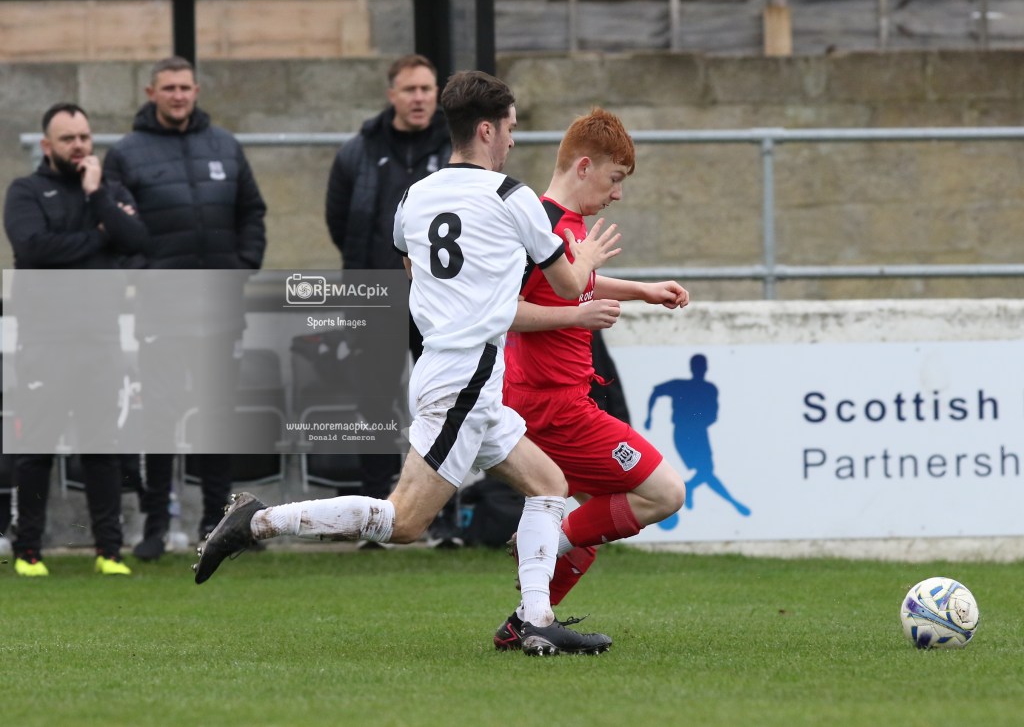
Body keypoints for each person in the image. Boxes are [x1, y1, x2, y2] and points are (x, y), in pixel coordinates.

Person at [194, 70, 622, 656]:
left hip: (451, 369)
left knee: (549, 484)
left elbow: (413, 275)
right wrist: (587, 255)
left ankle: (535, 620)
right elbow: (570, 285)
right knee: (404, 522)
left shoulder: (412, 197)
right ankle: (258, 522)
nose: (513, 140)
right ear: (487, 130)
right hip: (467, 376)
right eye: (511, 128)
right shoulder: (512, 197)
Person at [494, 107, 690, 650]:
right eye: (614, 179)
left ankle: (527, 621)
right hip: (554, 409)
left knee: (598, 521)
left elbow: (573, 283)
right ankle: (542, 543)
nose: (618, 194)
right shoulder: (545, 225)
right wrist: (577, 315)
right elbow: (505, 309)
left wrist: (642, 290)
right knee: (664, 493)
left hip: (559, 400)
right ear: (584, 166)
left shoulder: (561, 223)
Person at [103, 56, 268, 561]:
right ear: (151, 93)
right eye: (168, 87)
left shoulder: (225, 146)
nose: (178, 95)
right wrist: (144, 275)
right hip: (162, 312)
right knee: (160, 421)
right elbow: (112, 226)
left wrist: (242, 265)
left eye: (185, 87)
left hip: (220, 311)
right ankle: (155, 527)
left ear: (196, 91)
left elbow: (252, 211)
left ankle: (219, 526)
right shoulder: (126, 154)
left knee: (217, 421)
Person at [3, 102, 146, 576]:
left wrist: (97, 197)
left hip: (100, 340)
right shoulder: (25, 191)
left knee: (102, 449)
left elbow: (136, 240)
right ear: (47, 145)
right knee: (36, 449)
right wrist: (100, 240)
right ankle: (28, 552)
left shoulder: (109, 191)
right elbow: (34, 249)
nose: (79, 145)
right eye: (68, 138)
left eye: (84, 136)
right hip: (44, 341)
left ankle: (109, 552)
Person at [325, 54, 457, 545]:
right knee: (374, 406)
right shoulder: (358, 152)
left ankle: (439, 518)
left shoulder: (455, 149)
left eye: (426, 89)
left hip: (439, 301)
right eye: (410, 89)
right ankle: (374, 519)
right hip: (374, 296)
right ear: (392, 95)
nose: (419, 98)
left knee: (441, 404)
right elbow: (340, 222)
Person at [645, 353, 751, 517]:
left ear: (705, 368)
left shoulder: (709, 389)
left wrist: (703, 421)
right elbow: (655, 392)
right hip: (684, 432)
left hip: (699, 432)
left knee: (706, 471)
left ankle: (691, 488)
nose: (700, 369)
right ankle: (727, 500)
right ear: (694, 368)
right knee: (706, 470)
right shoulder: (680, 385)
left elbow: (713, 414)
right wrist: (649, 416)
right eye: (698, 366)